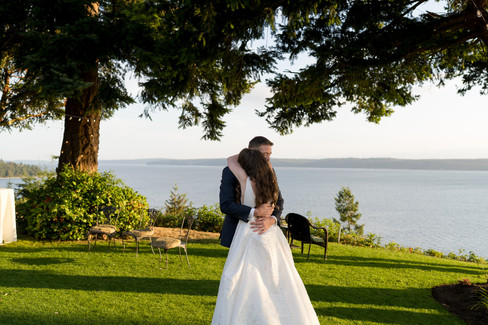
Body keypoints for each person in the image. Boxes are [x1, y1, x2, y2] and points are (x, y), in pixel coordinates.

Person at [212, 148, 320, 325]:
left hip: (249, 230)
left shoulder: (244, 179)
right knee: (278, 277)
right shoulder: (270, 180)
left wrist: (246, 155)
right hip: (270, 234)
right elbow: (278, 203)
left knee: (244, 278)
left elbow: (230, 159)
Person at [219, 136, 284, 248]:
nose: (268, 158)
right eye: (265, 154)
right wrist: (255, 212)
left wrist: (271, 219)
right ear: (252, 152)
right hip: (238, 233)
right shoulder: (230, 172)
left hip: (267, 233)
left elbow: (279, 200)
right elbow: (226, 205)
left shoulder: (269, 171)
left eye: (270, 154)